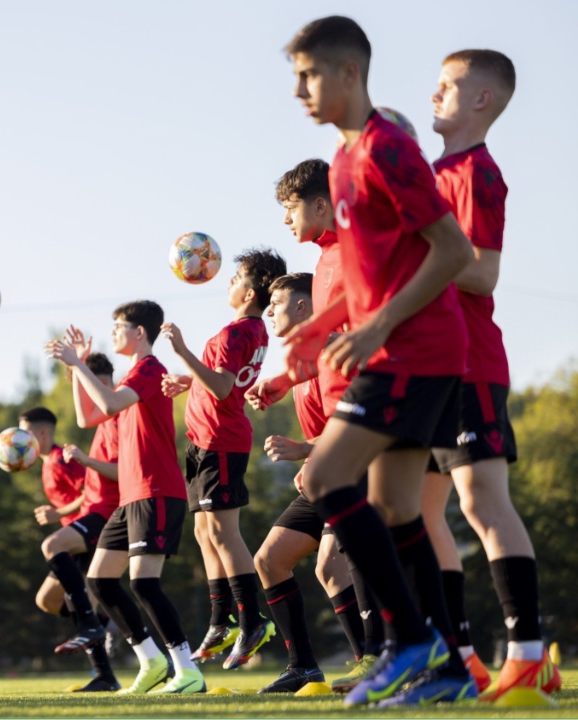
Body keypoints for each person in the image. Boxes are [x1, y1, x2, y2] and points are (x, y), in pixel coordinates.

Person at [285, 15, 478, 706]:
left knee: (324, 476)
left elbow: (452, 251)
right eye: (296, 76)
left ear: (349, 74)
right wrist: (329, 324)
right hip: (397, 347)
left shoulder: (388, 150)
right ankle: (450, 667)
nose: (300, 89)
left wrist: (376, 330)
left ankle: (408, 640)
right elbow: (375, 276)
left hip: (416, 350)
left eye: (310, 75)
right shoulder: (342, 160)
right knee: (393, 507)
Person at [422, 48, 559, 700]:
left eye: (446, 86)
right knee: (417, 513)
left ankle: (527, 654)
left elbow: (481, 271)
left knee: (481, 503)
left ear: (481, 101)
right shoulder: (430, 173)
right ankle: (460, 660)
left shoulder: (475, 172)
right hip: (425, 370)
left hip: (471, 364)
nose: (433, 95)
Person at [248, 159, 385, 695]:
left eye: (290, 207)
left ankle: (391, 654)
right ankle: (313, 664)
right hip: (330, 455)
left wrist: (311, 451)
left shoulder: (353, 248)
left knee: (361, 550)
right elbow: (327, 349)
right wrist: (286, 380)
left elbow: (353, 350)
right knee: (274, 558)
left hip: (369, 430)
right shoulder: (326, 259)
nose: (285, 219)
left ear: (323, 204)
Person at [45, 302, 204, 695]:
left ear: (139, 334)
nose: (113, 332)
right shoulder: (133, 375)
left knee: (144, 584)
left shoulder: (150, 369)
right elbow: (88, 417)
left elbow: (110, 404)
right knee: (99, 580)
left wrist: (78, 365)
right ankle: (151, 661)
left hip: (157, 490)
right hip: (130, 498)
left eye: (119, 327)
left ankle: (188, 671)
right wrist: (78, 366)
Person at [160, 248, 286, 669]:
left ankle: (251, 620)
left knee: (224, 532)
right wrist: (188, 380)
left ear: (250, 292)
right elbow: (222, 384)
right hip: (203, 440)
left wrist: (181, 352)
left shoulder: (238, 333)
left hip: (221, 441)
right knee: (204, 531)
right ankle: (222, 620)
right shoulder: (244, 331)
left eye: (235, 279)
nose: (228, 283)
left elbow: (222, 386)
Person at [19, 393, 119, 692]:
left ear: (42, 433)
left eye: (24, 433)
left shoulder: (62, 459)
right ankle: (103, 623)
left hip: (89, 532)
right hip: (72, 538)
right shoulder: (47, 461)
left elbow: (90, 491)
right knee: (47, 600)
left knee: (80, 602)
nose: (20, 440)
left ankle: (104, 673)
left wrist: (57, 513)